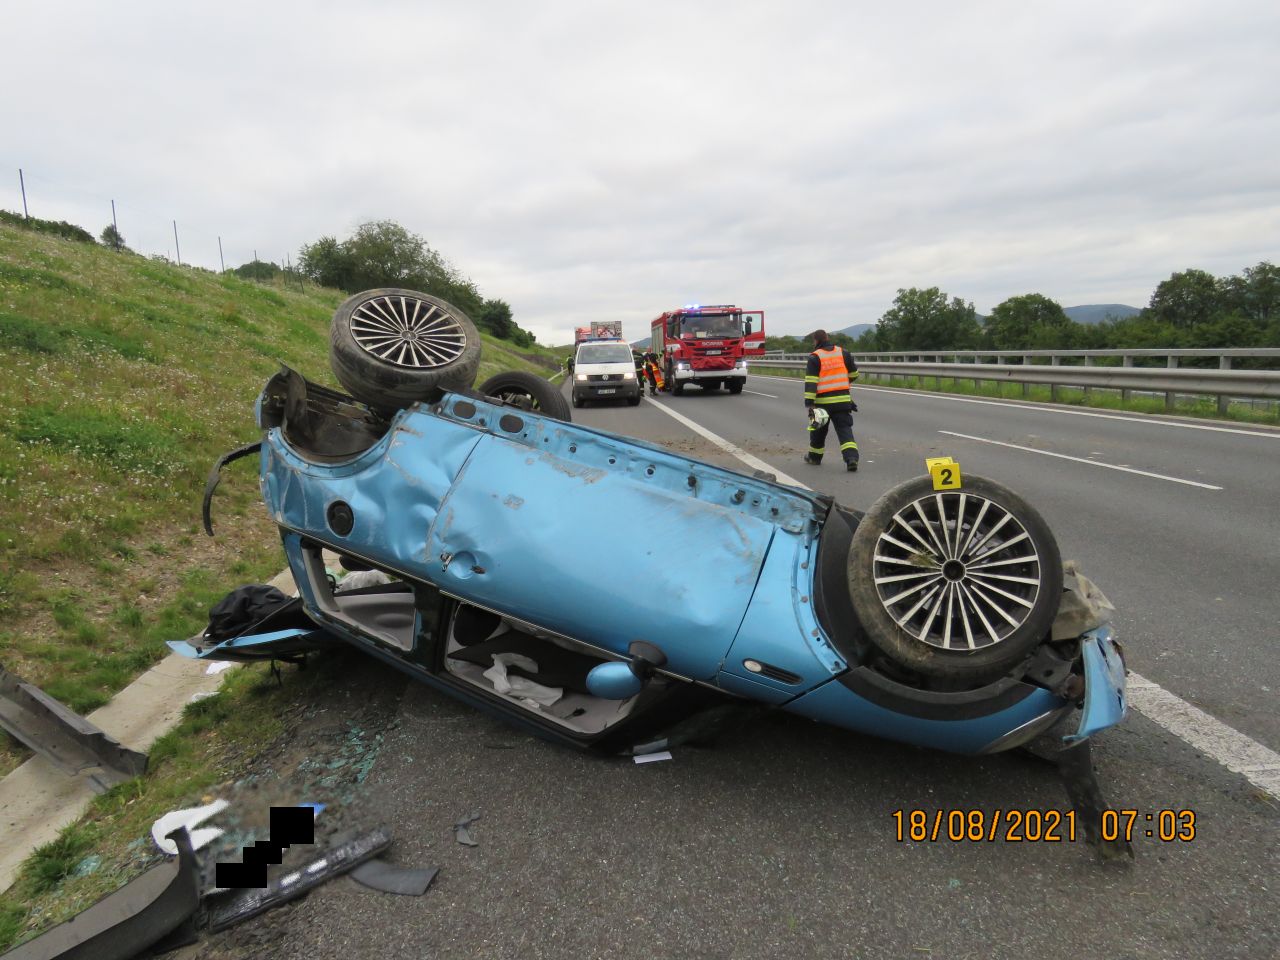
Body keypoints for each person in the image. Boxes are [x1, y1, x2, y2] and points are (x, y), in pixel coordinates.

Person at [802, 329, 860, 471]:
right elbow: (854, 374)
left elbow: (811, 382)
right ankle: (851, 459)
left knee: (818, 431)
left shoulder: (815, 357)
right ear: (827, 338)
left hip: (822, 403)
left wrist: (809, 403)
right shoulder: (843, 352)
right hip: (842, 401)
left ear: (816, 341)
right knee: (845, 430)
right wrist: (842, 384)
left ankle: (814, 458)